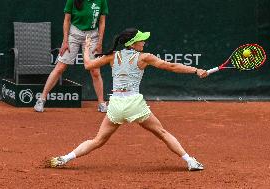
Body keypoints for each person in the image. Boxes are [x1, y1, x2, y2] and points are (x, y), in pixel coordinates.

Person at [46, 28, 208, 171]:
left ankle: (65, 158)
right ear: (132, 43)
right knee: (163, 133)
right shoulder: (145, 57)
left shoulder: (112, 57)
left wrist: (86, 48)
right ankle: (190, 161)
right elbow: (171, 66)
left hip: (116, 104)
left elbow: (88, 65)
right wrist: (196, 70)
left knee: (98, 140)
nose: (144, 42)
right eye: (140, 40)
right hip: (134, 104)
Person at [34, 0, 108, 113]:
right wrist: (65, 41)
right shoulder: (72, 0)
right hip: (74, 35)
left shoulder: (101, 1)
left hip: (92, 36)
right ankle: (41, 99)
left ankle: (101, 103)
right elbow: (67, 20)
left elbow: (102, 22)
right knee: (60, 68)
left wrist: (100, 42)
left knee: (95, 71)